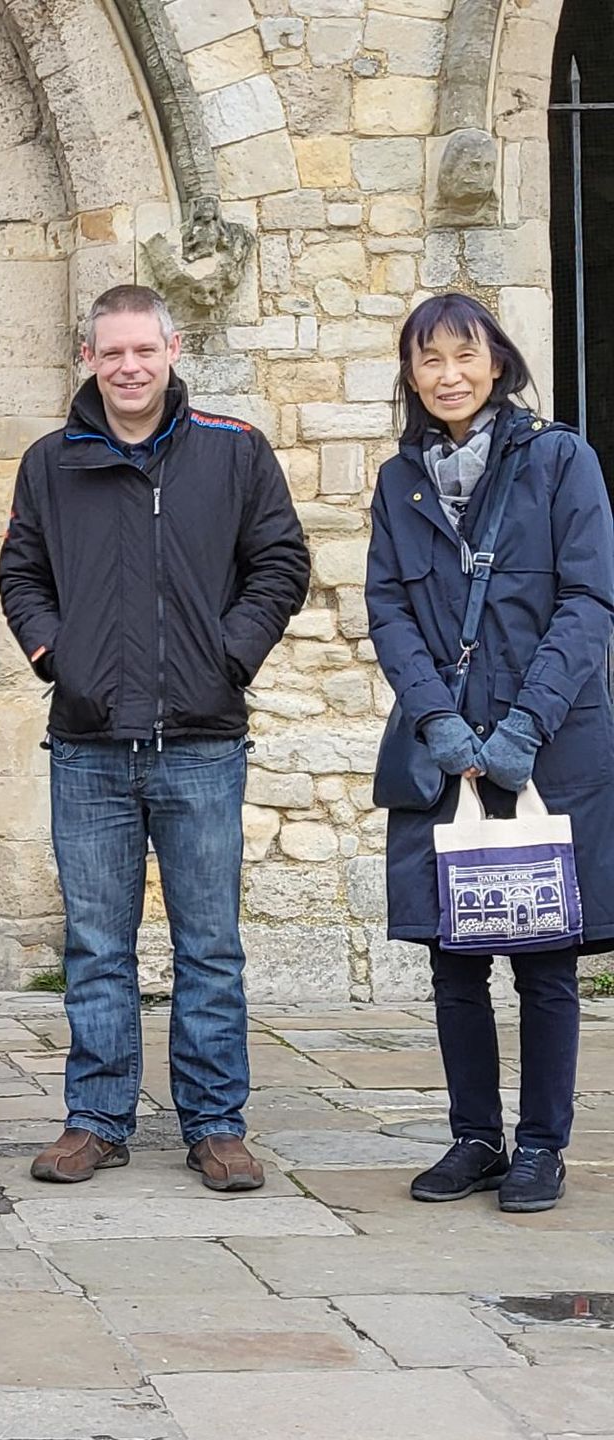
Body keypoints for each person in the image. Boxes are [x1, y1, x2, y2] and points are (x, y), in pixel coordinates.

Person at [0, 285, 310, 1191]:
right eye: (111, 352)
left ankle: (215, 1123)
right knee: (97, 944)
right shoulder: (51, 462)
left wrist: (231, 653)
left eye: (145, 350)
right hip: (89, 742)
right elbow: (21, 573)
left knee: (209, 942)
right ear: (87, 358)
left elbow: (281, 562)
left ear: (174, 349)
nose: (129, 367)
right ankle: (96, 1118)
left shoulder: (234, 451)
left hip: (202, 740)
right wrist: (57, 654)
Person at [366, 293, 614, 1215]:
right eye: (429, 360)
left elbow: (587, 603)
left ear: (499, 362)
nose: (449, 375)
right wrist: (439, 724)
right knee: (454, 956)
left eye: (464, 355)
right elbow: (388, 609)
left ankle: (543, 1145)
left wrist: (520, 730)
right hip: (444, 751)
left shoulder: (560, 460)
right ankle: (475, 1137)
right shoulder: (402, 481)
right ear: (412, 375)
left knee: (546, 956)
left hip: (547, 748)